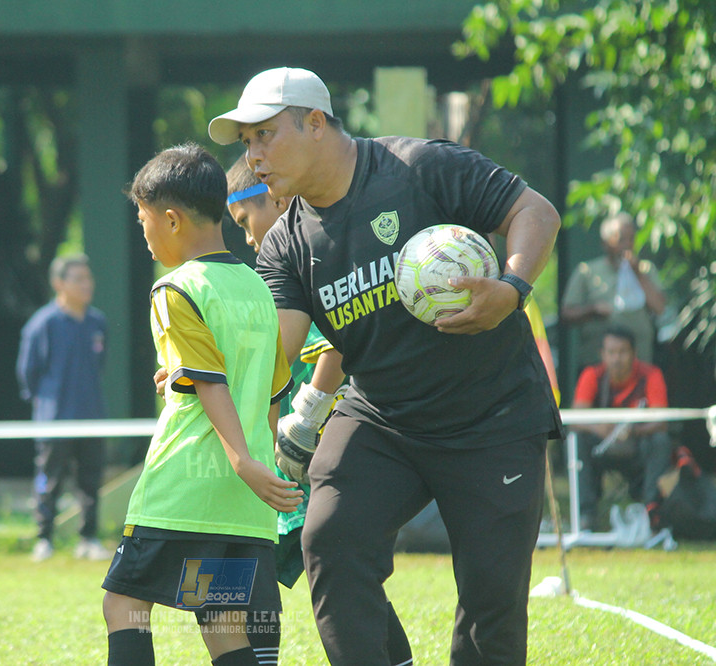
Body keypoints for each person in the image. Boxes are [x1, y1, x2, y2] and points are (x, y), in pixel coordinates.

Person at [209, 67, 562, 664]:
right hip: (383, 418)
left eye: (264, 135)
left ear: (315, 123)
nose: (255, 157)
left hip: (493, 416)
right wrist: (203, 366)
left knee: (490, 607)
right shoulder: (285, 244)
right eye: (246, 143)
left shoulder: (418, 166)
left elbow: (536, 211)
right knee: (329, 538)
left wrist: (512, 286)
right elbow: (275, 352)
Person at [101, 142, 303, 666]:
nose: (142, 233)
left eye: (143, 219)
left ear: (170, 219)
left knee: (123, 604)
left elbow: (213, 384)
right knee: (221, 620)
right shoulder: (257, 288)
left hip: (184, 485)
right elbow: (267, 389)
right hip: (241, 501)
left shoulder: (175, 288)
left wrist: (238, 459)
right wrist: (255, 464)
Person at [225, 154, 413, 665]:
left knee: (319, 567)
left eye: (246, 222)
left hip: (317, 453)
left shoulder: (302, 267)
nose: (246, 239)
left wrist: (305, 418)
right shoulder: (279, 271)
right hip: (296, 454)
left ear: (278, 199)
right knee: (328, 571)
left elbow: (336, 343)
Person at [16, 253, 110, 562]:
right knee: (49, 479)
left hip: (91, 415)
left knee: (90, 480)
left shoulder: (97, 322)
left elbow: (100, 363)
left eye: (89, 278)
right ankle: (44, 539)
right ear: (59, 283)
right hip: (54, 420)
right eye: (78, 279)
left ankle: (88, 538)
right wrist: (45, 405)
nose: (87, 284)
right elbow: (28, 374)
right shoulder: (42, 324)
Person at [570, 326, 673, 532]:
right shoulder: (592, 375)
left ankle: (651, 513)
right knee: (576, 440)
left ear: (634, 354)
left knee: (661, 442)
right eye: (611, 352)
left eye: (623, 352)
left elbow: (662, 421)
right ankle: (586, 516)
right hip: (601, 447)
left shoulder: (651, 375)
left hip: (638, 446)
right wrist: (600, 429)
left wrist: (633, 432)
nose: (617, 359)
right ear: (602, 354)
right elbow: (575, 419)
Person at [561, 211, 667, 370]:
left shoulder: (645, 269)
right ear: (606, 242)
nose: (627, 245)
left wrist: (638, 273)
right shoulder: (587, 271)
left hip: (640, 366)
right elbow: (567, 314)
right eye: (621, 239)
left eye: (631, 239)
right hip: (597, 366)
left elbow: (659, 308)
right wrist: (593, 310)